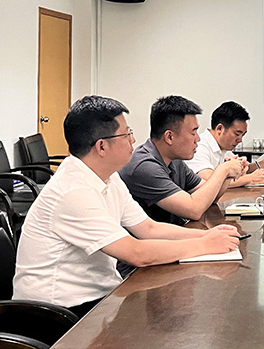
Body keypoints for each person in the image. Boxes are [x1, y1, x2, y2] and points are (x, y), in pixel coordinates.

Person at [13, 96, 241, 318]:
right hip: (56, 313)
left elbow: (149, 229)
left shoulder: (109, 177)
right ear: (102, 146)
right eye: (126, 134)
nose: (133, 140)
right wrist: (204, 244)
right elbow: (136, 253)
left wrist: (207, 235)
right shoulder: (72, 191)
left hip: (99, 296)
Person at [119, 95, 245, 225]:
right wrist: (223, 170)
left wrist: (228, 175)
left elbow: (210, 197)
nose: (198, 139)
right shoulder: (144, 166)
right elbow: (193, 209)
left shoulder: (175, 161)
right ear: (169, 137)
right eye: (193, 132)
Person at [185, 101, 264, 187]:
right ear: (220, 129)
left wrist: (262, 163)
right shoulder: (199, 146)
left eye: (243, 135)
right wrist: (249, 179)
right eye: (237, 134)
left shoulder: (223, 147)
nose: (240, 140)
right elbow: (209, 180)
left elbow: (245, 169)